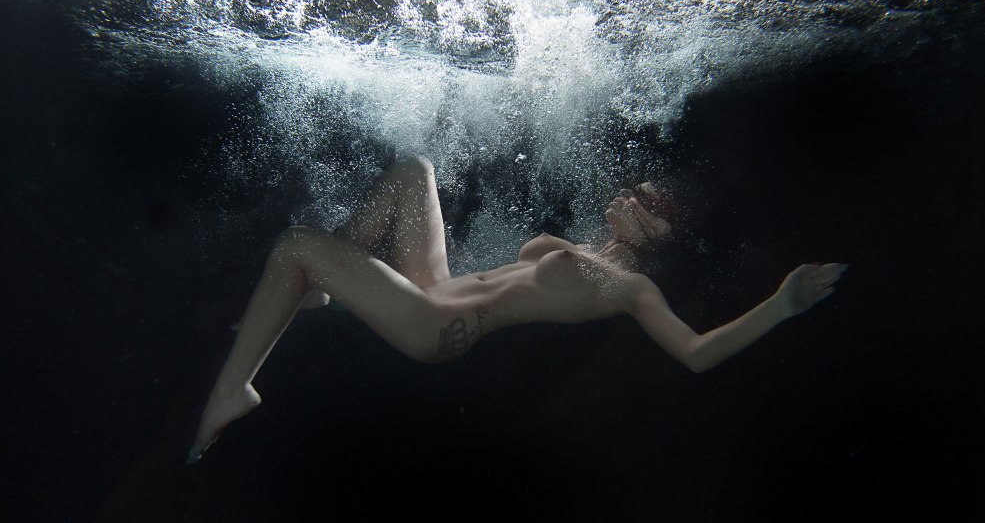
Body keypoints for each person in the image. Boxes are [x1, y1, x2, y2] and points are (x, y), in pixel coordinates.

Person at [188, 156, 847, 462]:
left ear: (658, 234)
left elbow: (696, 354)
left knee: (298, 243)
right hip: (434, 289)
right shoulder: (585, 248)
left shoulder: (632, 289)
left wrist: (780, 305)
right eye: (633, 189)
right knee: (412, 170)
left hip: (436, 328)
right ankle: (316, 286)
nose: (626, 195)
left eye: (642, 201)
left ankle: (234, 388)